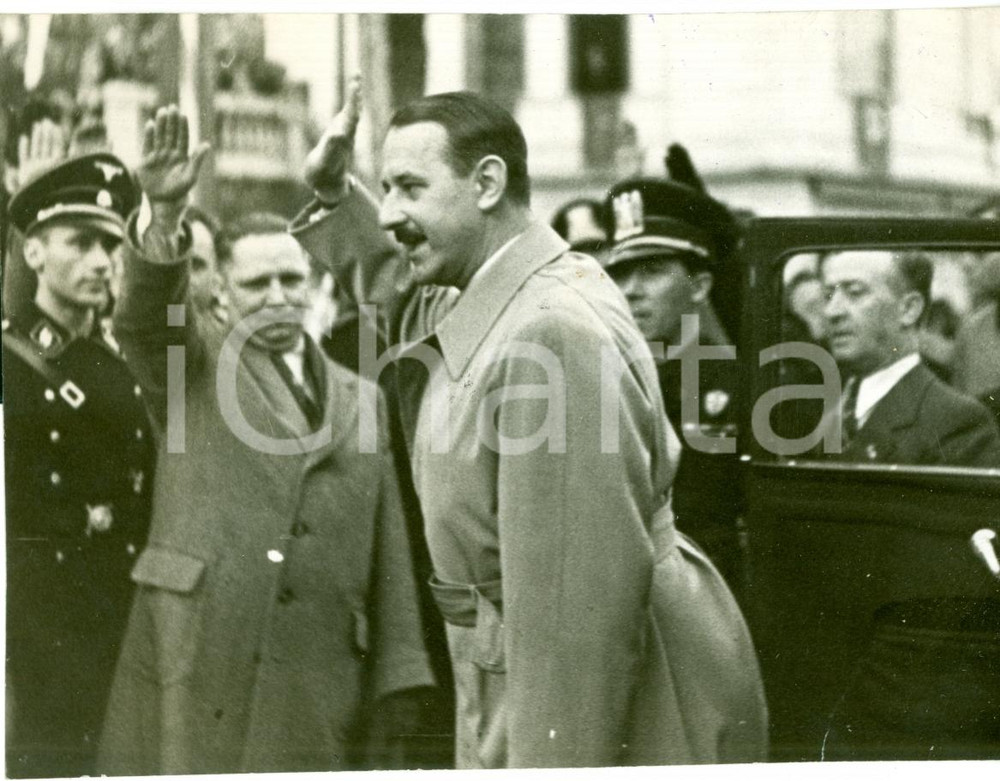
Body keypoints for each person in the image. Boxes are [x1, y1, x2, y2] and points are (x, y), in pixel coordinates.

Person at [291, 81, 767, 769]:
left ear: (487, 183)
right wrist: (339, 195)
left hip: (587, 707)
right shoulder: (509, 283)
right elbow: (405, 293)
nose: (390, 212)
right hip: (521, 678)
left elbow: (574, 636)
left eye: (408, 188)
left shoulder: (547, 337)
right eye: (384, 190)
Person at [97, 106, 434, 774]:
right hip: (202, 662)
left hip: (321, 676)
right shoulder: (191, 363)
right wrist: (163, 219)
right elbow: (142, 318)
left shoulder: (359, 395)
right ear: (219, 287)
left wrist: (403, 670)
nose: (277, 297)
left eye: (291, 280)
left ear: (312, 285)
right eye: (257, 283)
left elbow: (388, 545)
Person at [3, 152, 154, 778]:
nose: (101, 261)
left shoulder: (119, 363)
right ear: (34, 254)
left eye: (111, 246)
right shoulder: (12, 362)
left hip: (118, 621)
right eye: (81, 243)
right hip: (38, 632)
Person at [602, 177, 746, 597]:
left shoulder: (738, 388)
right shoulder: (611, 379)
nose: (631, 290)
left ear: (699, 286)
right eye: (622, 272)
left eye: (652, 271)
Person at [819, 250, 1000, 466]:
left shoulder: (958, 422)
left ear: (909, 309)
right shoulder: (829, 404)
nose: (832, 311)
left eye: (855, 293)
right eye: (828, 295)